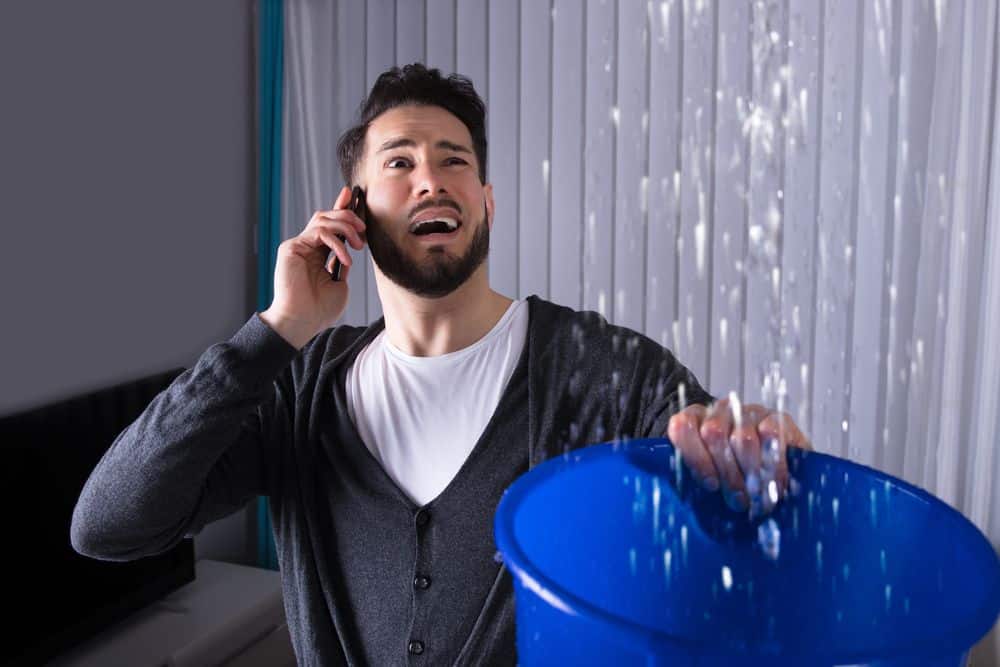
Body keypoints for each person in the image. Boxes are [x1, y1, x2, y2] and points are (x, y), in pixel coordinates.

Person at [71, 63, 811, 665]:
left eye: (453, 161)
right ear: (351, 212)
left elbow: (736, 496)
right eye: (401, 163)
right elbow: (108, 524)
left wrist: (749, 451)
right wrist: (276, 330)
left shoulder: (600, 366)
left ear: (484, 202)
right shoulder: (297, 388)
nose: (431, 179)